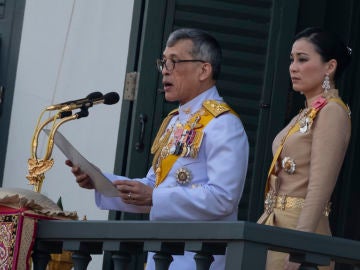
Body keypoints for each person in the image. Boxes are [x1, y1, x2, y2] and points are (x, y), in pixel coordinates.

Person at [66, 28, 249, 270]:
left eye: (174, 62)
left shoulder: (223, 124)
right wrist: (100, 180)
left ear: (204, 70)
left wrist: (155, 196)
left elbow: (223, 198)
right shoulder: (176, 121)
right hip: (163, 254)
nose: (165, 70)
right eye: (163, 62)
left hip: (200, 258)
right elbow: (152, 188)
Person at [257, 27, 352, 270]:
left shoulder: (332, 111)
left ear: (330, 67)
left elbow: (320, 187)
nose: (293, 67)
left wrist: (299, 247)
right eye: (292, 59)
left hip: (299, 232)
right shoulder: (306, 113)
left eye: (303, 59)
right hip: (274, 227)